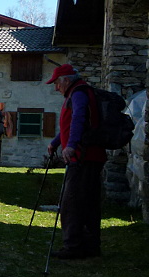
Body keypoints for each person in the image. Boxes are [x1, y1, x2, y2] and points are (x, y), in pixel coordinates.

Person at [46, 63, 107, 259]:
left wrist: (71, 145)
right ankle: (90, 246)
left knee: (72, 203)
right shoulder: (79, 92)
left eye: (57, 83)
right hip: (89, 156)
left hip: (82, 157)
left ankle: (73, 246)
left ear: (66, 80)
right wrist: (57, 142)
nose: (56, 88)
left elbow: (79, 119)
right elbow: (70, 123)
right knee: (88, 202)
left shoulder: (78, 94)